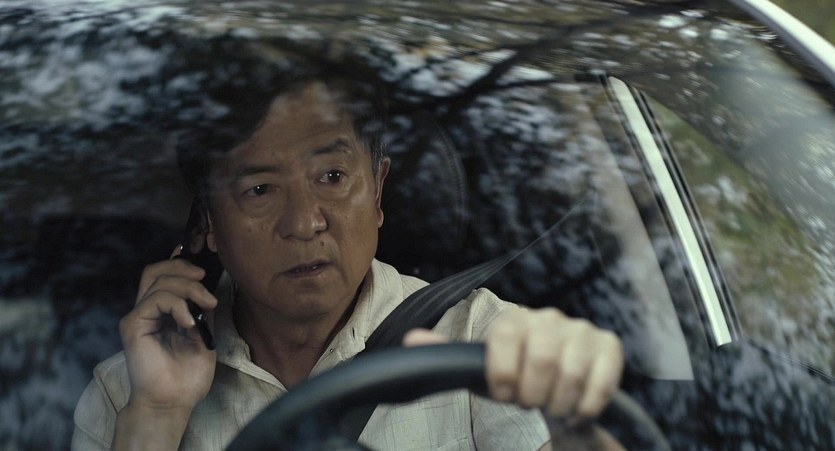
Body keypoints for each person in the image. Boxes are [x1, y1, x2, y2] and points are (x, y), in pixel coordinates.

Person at [72, 78, 624, 450]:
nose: (304, 222)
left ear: (377, 191)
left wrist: (573, 418)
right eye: (260, 189)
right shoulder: (130, 393)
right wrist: (158, 415)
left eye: (332, 177)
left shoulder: (481, 344)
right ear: (208, 225)